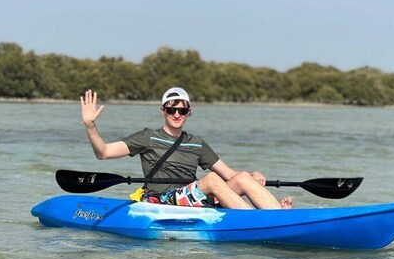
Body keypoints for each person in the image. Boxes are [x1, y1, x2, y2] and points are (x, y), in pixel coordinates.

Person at [80, 87, 292, 209]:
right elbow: (104, 152)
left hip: (193, 198)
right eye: (172, 109)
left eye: (182, 110)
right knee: (210, 180)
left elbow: (231, 175)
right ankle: (255, 223)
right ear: (163, 110)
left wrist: (254, 174)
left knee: (244, 176)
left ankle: (282, 219)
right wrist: (90, 125)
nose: (177, 114)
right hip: (164, 200)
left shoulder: (196, 143)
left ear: (189, 112)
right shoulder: (148, 137)